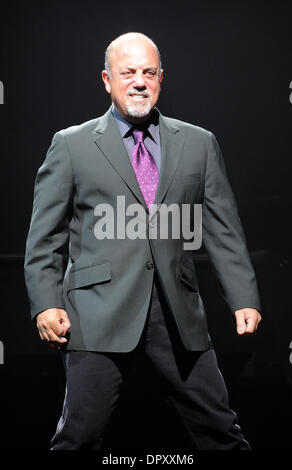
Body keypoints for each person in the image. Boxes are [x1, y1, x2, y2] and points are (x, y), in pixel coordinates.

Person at [24, 32, 262, 450]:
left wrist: (243, 297)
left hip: (178, 316)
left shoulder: (198, 143)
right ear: (106, 79)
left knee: (222, 434)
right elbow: (44, 237)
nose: (139, 81)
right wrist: (46, 303)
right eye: (128, 72)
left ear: (160, 79)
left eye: (148, 72)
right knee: (78, 437)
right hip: (97, 315)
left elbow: (224, 228)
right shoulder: (71, 144)